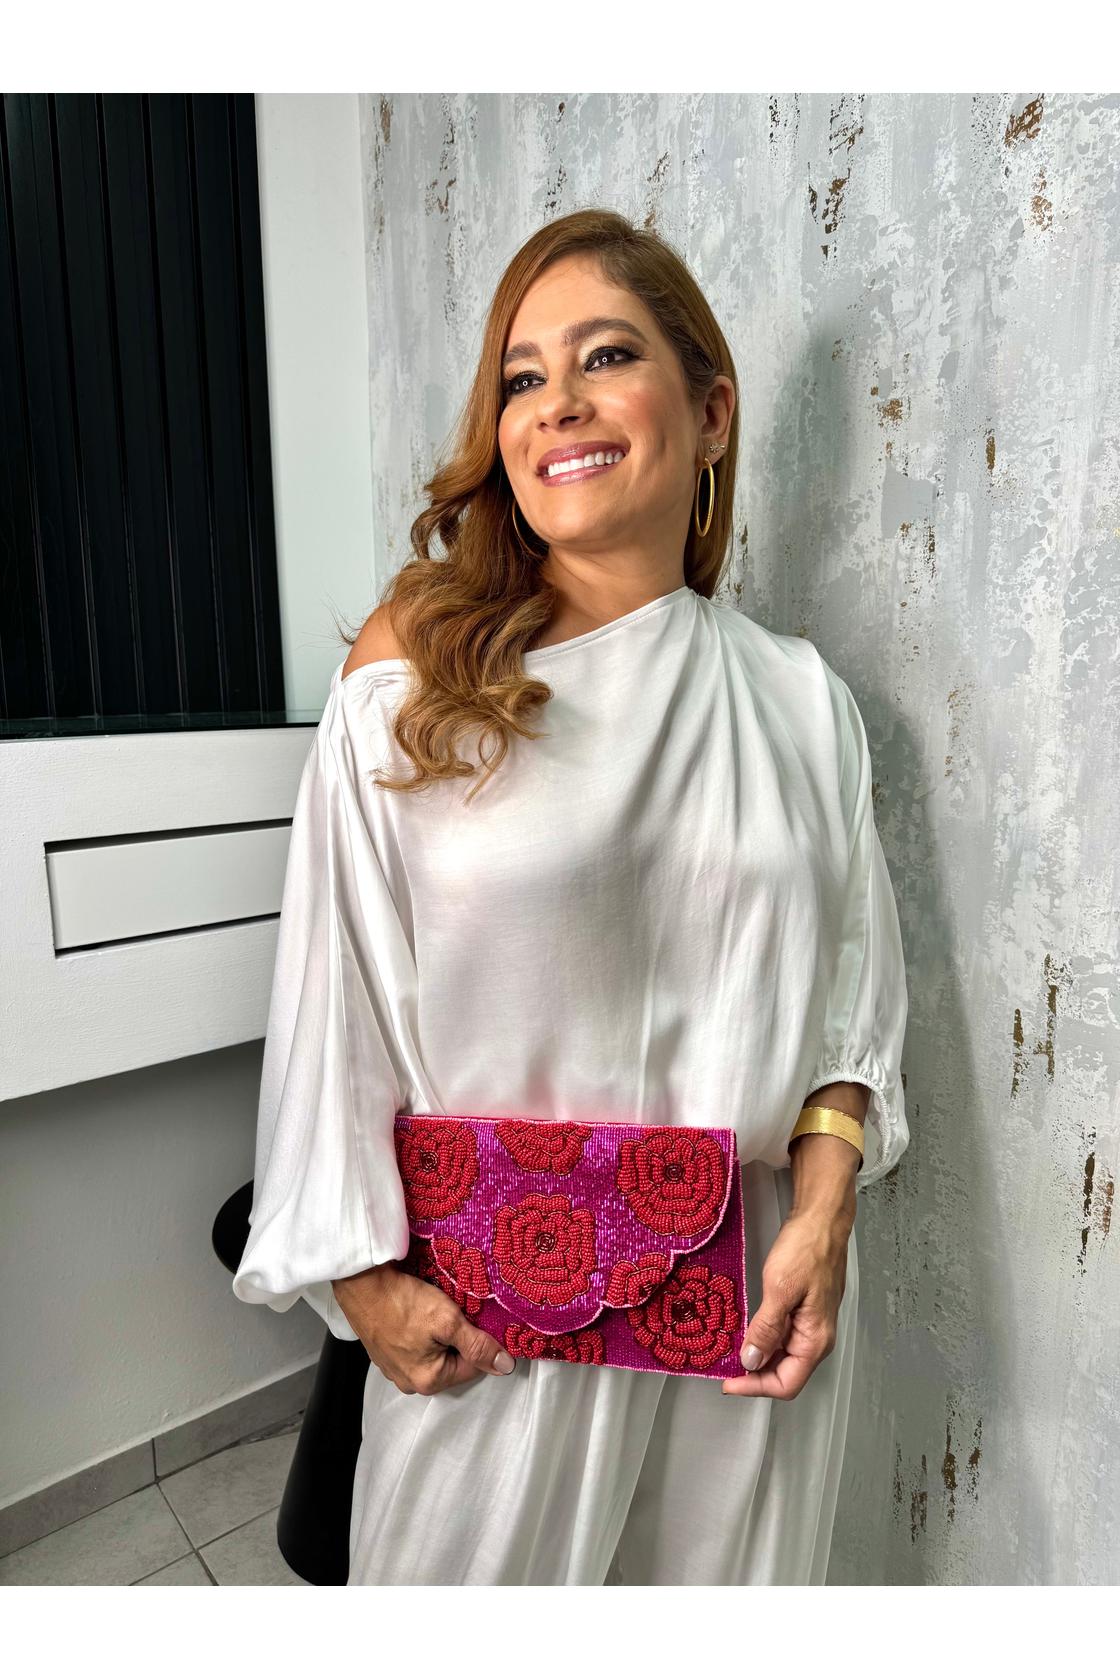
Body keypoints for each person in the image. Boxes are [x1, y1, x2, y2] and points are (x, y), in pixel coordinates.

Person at [232, 208, 910, 1586]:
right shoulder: (423, 668)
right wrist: (361, 1280)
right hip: (496, 1340)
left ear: (710, 413)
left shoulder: (802, 700)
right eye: (523, 378)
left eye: (605, 356)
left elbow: (851, 1004)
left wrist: (826, 1219)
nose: (559, 404)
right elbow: (333, 990)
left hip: (745, 1329)